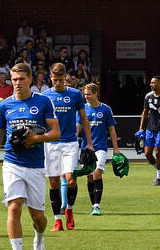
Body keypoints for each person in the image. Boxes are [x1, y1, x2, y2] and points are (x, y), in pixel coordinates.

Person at [0, 62, 59, 250]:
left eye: (21, 79)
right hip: (12, 163)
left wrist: (35, 138)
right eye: (14, 79)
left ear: (30, 80)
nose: (16, 83)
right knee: (13, 207)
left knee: (38, 218)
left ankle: (39, 238)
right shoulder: (5, 105)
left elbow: (56, 133)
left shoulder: (43, 102)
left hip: (35, 166)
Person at [44, 62, 93, 232]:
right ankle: (57, 220)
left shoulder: (75, 95)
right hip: (50, 144)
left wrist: (89, 143)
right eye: (54, 79)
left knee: (71, 179)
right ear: (50, 77)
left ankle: (69, 210)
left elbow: (84, 119)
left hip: (70, 143)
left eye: (60, 80)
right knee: (54, 182)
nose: (57, 83)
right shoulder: (44, 96)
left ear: (65, 78)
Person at [82, 82, 119, 215]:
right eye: (85, 94)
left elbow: (111, 130)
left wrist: (116, 149)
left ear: (96, 94)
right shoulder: (82, 109)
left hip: (101, 147)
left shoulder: (105, 109)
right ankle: (93, 205)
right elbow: (77, 128)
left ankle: (97, 206)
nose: (86, 97)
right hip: (86, 149)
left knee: (97, 172)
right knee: (90, 177)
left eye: (89, 94)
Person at [139, 76, 160, 186]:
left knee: (158, 152)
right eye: (151, 82)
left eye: (153, 82)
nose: (151, 84)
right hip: (150, 128)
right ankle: (159, 167)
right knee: (147, 153)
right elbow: (144, 112)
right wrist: (141, 128)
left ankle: (158, 178)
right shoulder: (148, 96)